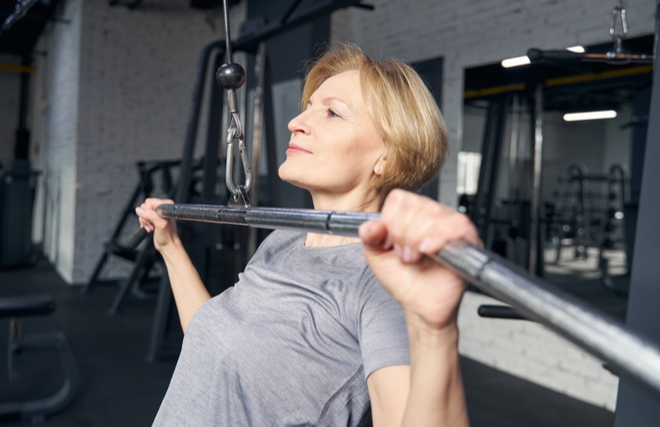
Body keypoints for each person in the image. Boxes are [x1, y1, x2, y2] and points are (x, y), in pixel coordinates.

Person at [135, 43, 480, 427]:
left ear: (387, 156)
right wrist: (170, 246)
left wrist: (435, 332)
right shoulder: (285, 237)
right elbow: (215, 339)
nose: (296, 121)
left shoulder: (382, 283)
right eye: (310, 106)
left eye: (332, 112)